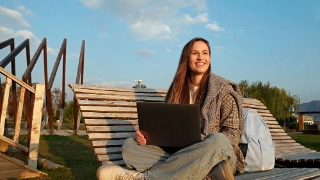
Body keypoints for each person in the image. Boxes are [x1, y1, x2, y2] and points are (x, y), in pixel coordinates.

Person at [97, 37, 245, 180]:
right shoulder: (176, 90)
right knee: (130, 146)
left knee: (218, 140)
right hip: (180, 153)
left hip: (217, 155)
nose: (201, 57)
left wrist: (205, 139)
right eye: (195, 53)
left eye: (205, 53)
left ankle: (143, 178)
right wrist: (146, 137)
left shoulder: (224, 91)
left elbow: (232, 136)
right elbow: (167, 130)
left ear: (210, 58)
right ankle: (203, 174)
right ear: (186, 58)